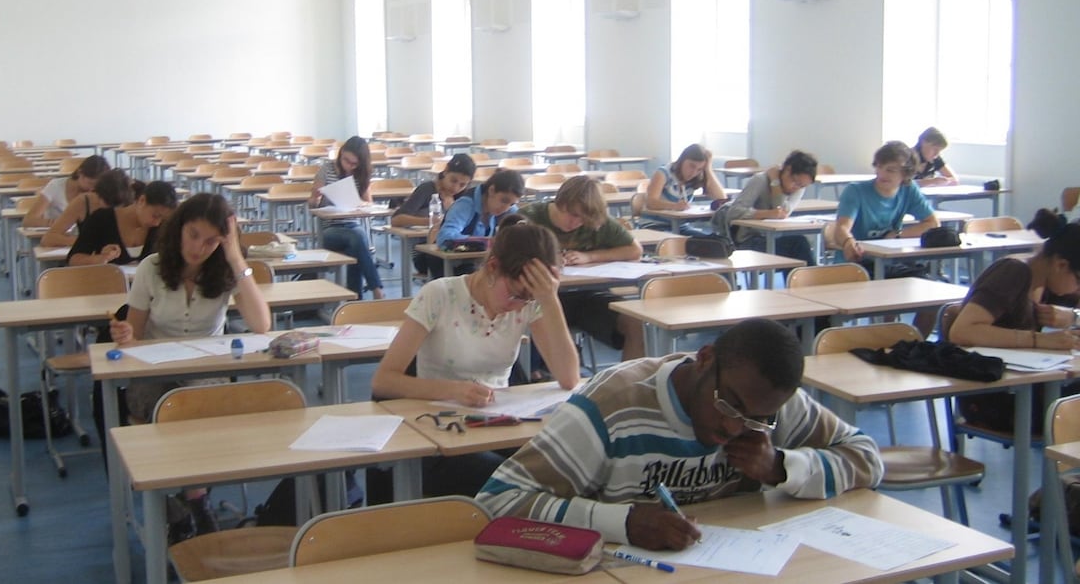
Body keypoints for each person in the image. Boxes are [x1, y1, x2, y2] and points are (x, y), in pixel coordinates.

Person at [476, 319, 884, 551]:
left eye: (754, 419)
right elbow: (497, 500)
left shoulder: (769, 408)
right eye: (729, 404)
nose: (733, 428)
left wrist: (782, 466)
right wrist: (624, 522)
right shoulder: (615, 404)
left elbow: (867, 457)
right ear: (704, 358)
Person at [369, 216, 580, 499]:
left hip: (497, 423)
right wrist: (454, 390)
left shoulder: (530, 303)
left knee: (562, 469)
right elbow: (383, 381)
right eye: (516, 295)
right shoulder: (440, 295)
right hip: (439, 427)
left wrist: (550, 300)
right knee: (505, 480)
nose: (518, 306)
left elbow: (568, 378)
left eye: (530, 299)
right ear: (492, 267)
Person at [108, 193, 273, 541]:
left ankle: (181, 513)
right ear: (180, 229)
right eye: (193, 234)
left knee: (202, 407)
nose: (198, 247)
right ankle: (195, 502)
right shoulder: (151, 268)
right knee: (168, 412)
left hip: (204, 373)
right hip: (153, 373)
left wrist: (235, 256)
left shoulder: (225, 271)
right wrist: (125, 335)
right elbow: (134, 335)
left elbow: (261, 325)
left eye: (212, 240)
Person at [950, 209, 1080, 434]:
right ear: (1061, 265)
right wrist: (1038, 340)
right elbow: (961, 331)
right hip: (993, 397)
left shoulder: (1053, 282)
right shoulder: (1012, 273)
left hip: (1031, 389)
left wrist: (1074, 316)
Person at [519, 176, 646, 361]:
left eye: (582, 219)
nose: (576, 223)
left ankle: (626, 382)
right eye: (572, 214)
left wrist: (589, 257)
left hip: (587, 296)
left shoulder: (594, 220)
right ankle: (540, 373)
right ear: (560, 202)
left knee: (635, 321)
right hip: (539, 299)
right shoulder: (529, 217)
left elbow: (635, 251)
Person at [832, 141, 940, 334]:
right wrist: (849, 242)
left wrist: (899, 235)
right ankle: (886, 339)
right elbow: (842, 227)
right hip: (857, 262)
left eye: (890, 170)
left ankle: (916, 344)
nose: (882, 174)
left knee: (933, 295)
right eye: (879, 167)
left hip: (890, 262)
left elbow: (932, 223)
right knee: (887, 295)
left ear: (905, 174)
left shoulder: (909, 190)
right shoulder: (856, 191)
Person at [712, 150, 818, 267]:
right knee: (798, 244)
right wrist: (767, 213)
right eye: (796, 183)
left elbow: (782, 211)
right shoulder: (760, 180)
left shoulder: (798, 188)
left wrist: (775, 183)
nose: (797, 188)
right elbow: (734, 212)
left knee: (798, 247)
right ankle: (814, 282)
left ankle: (801, 283)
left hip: (774, 237)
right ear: (787, 170)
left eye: (802, 186)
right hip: (749, 239)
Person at [310, 136, 384, 299]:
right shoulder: (326, 170)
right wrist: (315, 198)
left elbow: (368, 203)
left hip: (351, 224)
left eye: (354, 163)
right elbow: (312, 206)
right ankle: (376, 288)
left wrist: (360, 204)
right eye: (346, 160)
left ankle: (355, 297)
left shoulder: (360, 175)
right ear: (341, 154)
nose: (349, 165)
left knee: (356, 243)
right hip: (330, 229)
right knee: (359, 238)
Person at [390, 153, 477, 273]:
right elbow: (396, 220)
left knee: (473, 267)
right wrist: (430, 221)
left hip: (454, 247)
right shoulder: (427, 190)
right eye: (453, 181)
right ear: (446, 171)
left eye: (462, 184)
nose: (456, 188)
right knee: (461, 270)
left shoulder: (463, 197)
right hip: (424, 251)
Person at [430, 168, 525, 277]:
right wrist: (486, 242)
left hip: (476, 263)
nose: (506, 208)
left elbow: (522, 228)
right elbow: (445, 237)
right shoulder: (465, 204)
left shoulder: (506, 207)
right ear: (492, 190)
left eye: (512, 204)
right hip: (450, 265)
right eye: (504, 201)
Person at [66, 180, 178, 266]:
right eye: (155, 216)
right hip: (107, 289)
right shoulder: (101, 219)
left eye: (162, 219)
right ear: (142, 201)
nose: (157, 223)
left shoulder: (163, 227)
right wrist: (101, 258)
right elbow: (73, 259)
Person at [41, 168, 135, 248]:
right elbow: (48, 238)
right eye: (106, 206)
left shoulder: (133, 206)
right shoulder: (82, 202)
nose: (109, 213)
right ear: (96, 193)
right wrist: (83, 242)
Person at [641, 144, 726, 232]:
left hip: (681, 227)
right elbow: (650, 202)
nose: (693, 172)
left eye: (699, 169)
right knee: (681, 243)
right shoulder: (663, 173)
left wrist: (708, 169)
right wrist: (674, 206)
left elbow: (721, 199)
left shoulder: (695, 178)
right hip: (655, 226)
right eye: (691, 166)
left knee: (715, 242)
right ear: (682, 160)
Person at [22, 155, 111, 228]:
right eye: (90, 183)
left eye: (96, 186)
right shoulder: (55, 186)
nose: (92, 189)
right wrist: (55, 223)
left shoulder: (98, 191)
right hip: (54, 240)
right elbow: (28, 221)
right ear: (80, 173)